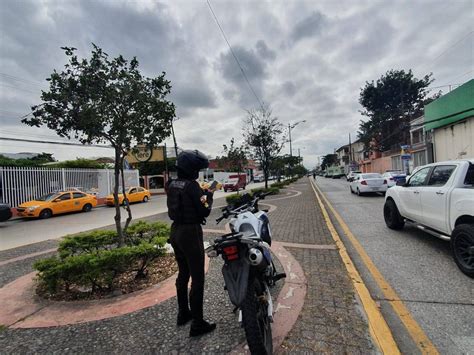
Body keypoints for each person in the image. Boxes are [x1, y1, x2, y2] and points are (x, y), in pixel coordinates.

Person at [166, 149, 216, 337]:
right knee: (198, 278)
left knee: (183, 273)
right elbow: (204, 211)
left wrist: (199, 194)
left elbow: (183, 199)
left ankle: (183, 314)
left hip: (175, 232)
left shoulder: (171, 184)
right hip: (190, 232)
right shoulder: (193, 186)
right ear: (191, 169)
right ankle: (198, 323)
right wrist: (208, 195)